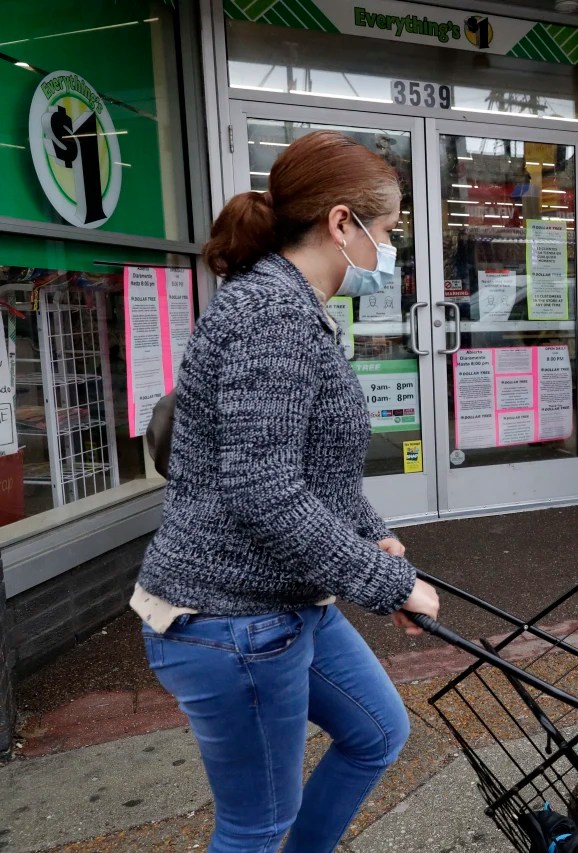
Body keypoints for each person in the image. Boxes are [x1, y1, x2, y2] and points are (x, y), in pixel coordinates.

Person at [133, 131, 441, 852]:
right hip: (232, 619)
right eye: (388, 231)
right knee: (256, 823)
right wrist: (391, 582)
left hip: (284, 602)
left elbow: (311, 465)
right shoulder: (274, 314)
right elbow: (264, 489)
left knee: (376, 731)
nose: (387, 251)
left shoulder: (293, 307)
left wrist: (370, 532)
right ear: (342, 223)